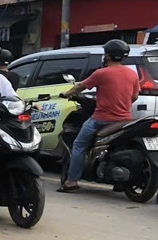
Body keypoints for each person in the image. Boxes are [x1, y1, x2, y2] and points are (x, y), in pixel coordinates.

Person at [57, 39, 140, 193]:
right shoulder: (132, 74)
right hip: (125, 120)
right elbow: (134, 96)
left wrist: (65, 93)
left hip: (101, 119)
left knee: (79, 144)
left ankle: (71, 181)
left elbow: (81, 86)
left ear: (108, 56)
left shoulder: (101, 73)